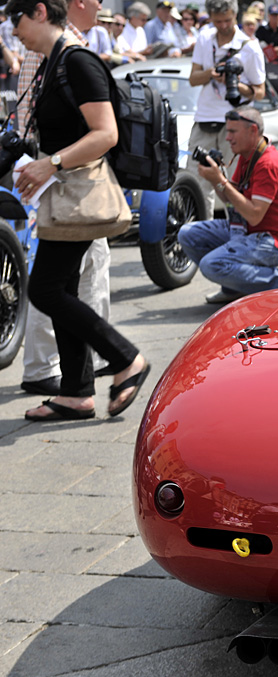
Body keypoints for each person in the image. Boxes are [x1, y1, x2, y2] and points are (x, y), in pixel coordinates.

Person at [11, 0, 149, 421]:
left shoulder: (77, 61)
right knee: (61, 289)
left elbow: (105, 133)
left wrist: (50, 163)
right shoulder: (53, 61)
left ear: (37, 11)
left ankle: (126, 358)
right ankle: (76, 392)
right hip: (64, 193)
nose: (10, 30)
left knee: (46, 289)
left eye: (13, 20)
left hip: (79, 192)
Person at [16, 0, 114, 397]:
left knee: (55, 280)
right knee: (69, 280)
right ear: (73, 3)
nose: (100, 6)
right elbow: (102, 133)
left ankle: (67, 377)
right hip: (70, 180)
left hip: (51, 174)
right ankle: (112, 360)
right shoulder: (70, 52)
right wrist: (53, 163)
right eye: (96, 0)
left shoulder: (50, 52)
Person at [178, 106, 278, 304]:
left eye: (232, 131)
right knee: (188, 234)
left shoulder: (268, 163)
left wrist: (220, 181)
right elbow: (229, 198)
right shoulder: (247, 156)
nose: (227, 138)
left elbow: (254, 215)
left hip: (274, 241)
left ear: (253, 131)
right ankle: (234, 286)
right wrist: (215, 178)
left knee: (211, 265)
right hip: (247, 229)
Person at [188, 0, 266, 218]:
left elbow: (260, 91)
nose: (222, 26)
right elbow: (193, 79)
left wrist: (236, 84)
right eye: (218, 21)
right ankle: (201, 228)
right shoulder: (204, 38)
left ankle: (236, 227)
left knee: (234, 180)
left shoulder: (249, 46)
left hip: (236, 120)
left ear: (235, 15)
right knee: (198, 179)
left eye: (227, 21)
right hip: (205, 117)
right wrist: (211, 74)